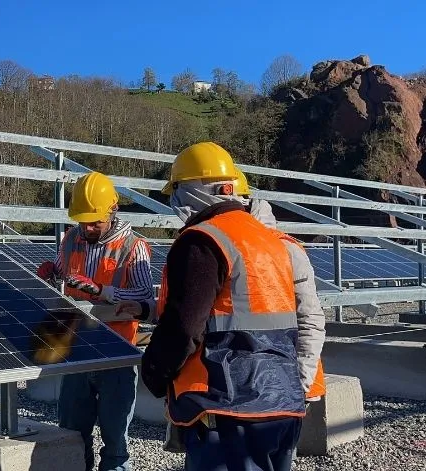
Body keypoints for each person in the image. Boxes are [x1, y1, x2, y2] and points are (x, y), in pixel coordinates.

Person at [141, 142, 306, 471]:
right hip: (283, 401)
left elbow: (184, 326)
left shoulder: (202, 241)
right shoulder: (272, 241)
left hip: (227, 406)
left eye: (177, 191)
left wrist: (154, 373)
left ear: (194, 191)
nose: (175, 202)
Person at [37, 171, 155, 471]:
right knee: (72, 433)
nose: (88, 227)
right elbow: (64, 279)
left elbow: (144, 294)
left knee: (116, 442)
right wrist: (53, 276)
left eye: (95, 222)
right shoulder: (70, 240)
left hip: (116, 352)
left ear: (112, 212)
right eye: (83, 221)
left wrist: (104, 291)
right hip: (78, 349)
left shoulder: (133, 246)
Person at [233, 168, 326, 403]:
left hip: (286, 378)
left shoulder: (287, 250)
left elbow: (310, 319)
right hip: (248, 381)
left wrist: (300, 384)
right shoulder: (228, 247)